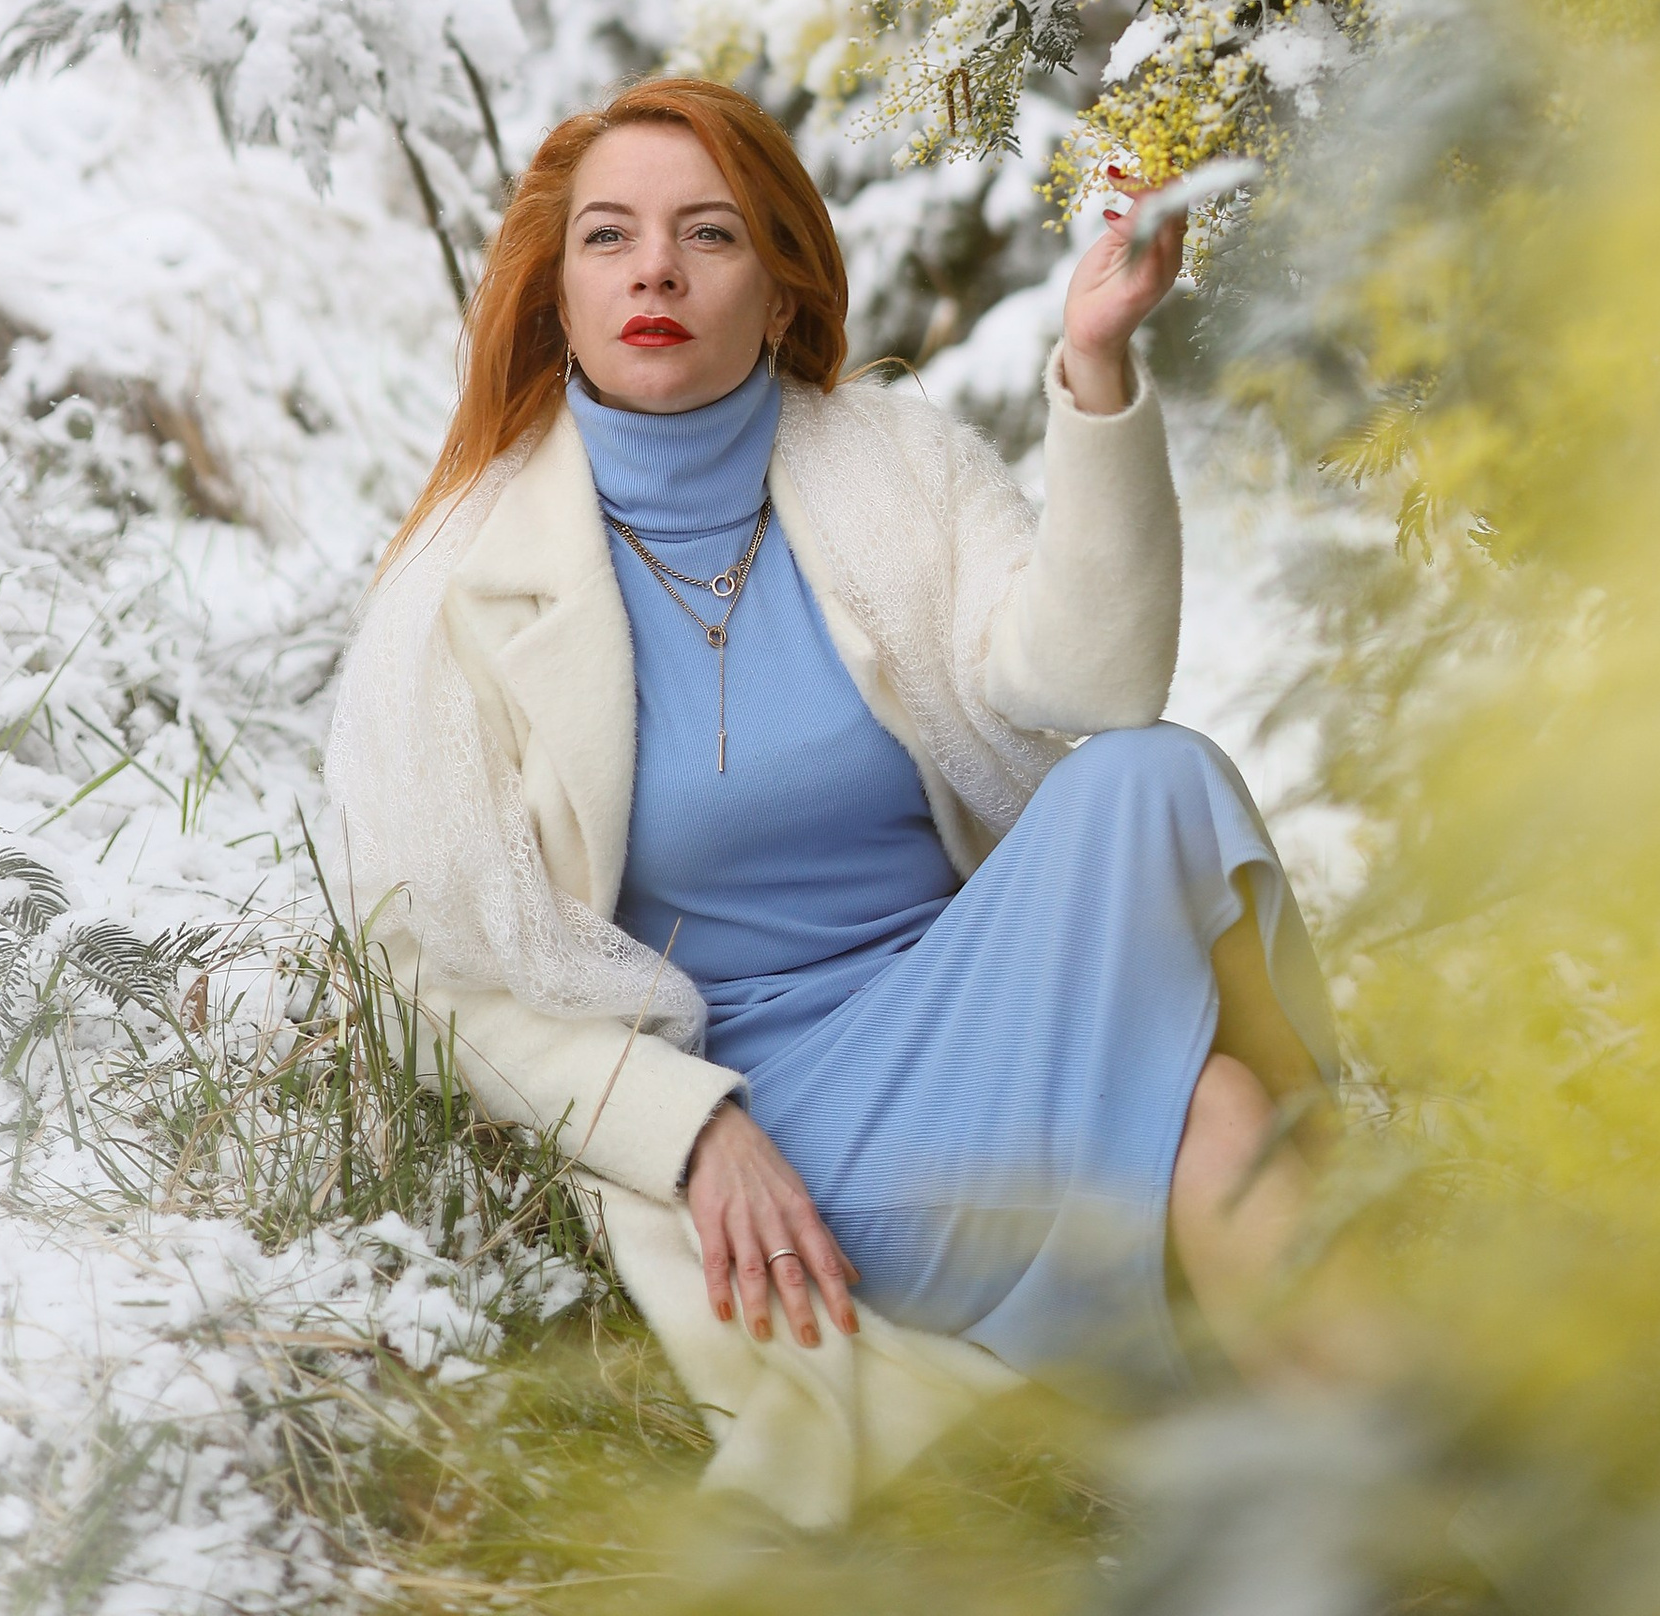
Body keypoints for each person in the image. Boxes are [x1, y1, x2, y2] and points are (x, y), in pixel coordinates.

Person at [325, 75, 1335, 1519]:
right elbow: (427, 974)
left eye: (709, 235)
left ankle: (1493, 1529)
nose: (656, 269)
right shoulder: (454, 593)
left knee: (1156, 789)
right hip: (788, 1124)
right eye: (608, 238)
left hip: (987, 1000)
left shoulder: (889, 463)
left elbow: (1096, 684)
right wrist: (690, 1126)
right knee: (1220, 1109)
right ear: (558, 297)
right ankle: (1334, 1317)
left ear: (783, 295)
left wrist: (1098, 368)